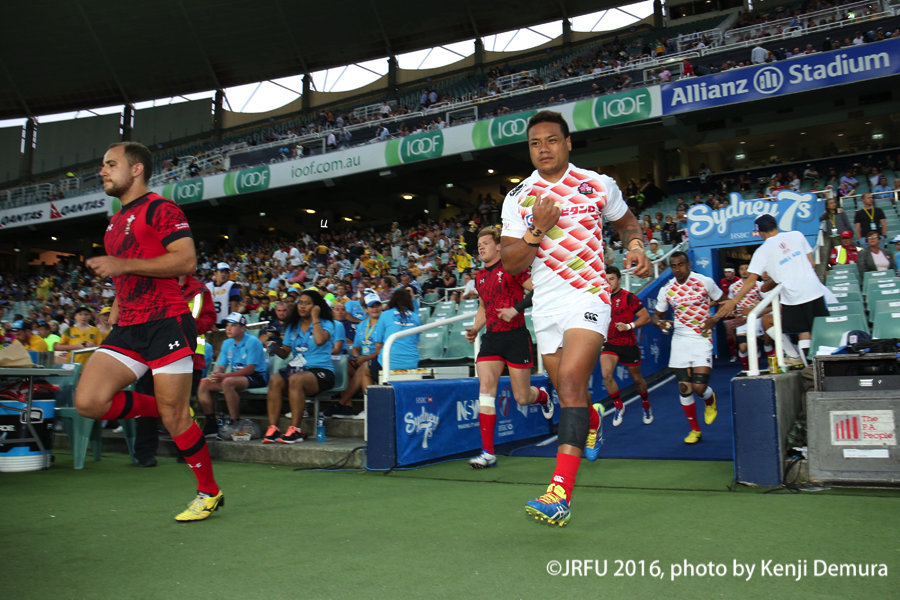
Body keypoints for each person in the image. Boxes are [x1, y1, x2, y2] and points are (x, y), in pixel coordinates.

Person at [500, 110, 651, 527]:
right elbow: (511, 264)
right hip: (546, 305)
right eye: (534, 143)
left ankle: (559, 493)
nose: (543, 148)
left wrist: (635, 244)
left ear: (568, 143)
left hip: (588, 295)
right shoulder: (518, 197)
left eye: (551, 140)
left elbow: (625, 221)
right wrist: (537, 229)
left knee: (569, 383)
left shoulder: (597, 184)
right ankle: (593, 415)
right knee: (569, 391)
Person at [78, 141, 222, 522]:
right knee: (89, 401)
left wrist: (123, 265)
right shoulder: (114, 220)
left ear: (137, 169)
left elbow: (186, 260)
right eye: (103, 165)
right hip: (129, 326)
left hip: (166, 324)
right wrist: (118, 304)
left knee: (176, 420)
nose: (103, 171)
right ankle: (169, 410)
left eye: (111, 164)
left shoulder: (161, 208)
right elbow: (126, 274)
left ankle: (209, 492)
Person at [465, 227, 553, 469]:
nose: (481, 247)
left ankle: (543, 396)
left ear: (498, 246)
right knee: (485, 389)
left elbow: (538, 290)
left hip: (516, 337)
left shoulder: (513, 268)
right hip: (492, 339)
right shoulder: (480, 277)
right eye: (479, 244)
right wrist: (475, 328)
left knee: (522, 398)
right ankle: (488, 453)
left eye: (485, 243)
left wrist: (515, 309)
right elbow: (484, 306)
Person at [709, 214, 827, 367]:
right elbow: (811, 263)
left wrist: (734, 301)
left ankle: (810, 369)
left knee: (803, 332)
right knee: (819, 333)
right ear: (776, 225)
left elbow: (751, 280)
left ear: (760, 233)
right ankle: (824, 369)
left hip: (794, 296)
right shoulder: (797, 235)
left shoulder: (762, 251)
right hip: (815, 290)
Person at [133, 274, 216, 467]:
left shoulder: (200, 290)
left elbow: (209, 319)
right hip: (153, 356)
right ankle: (144, 453)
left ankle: (187, 452)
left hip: (189, 357)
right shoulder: (152, 286)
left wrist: (183, 325)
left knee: (183, 408)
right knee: (147, 404)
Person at [652, 252, 722, 444]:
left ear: (689, 264)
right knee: (684, 387)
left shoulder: (704, 282)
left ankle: (709, 399)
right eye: (673, 266)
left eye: (681, 264)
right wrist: (659, 323)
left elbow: (724, 302)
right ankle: (694, 430)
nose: (677, 269)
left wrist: (714, 319)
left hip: (702, 338)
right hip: (680, 340)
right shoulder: (667, 290)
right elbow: (656, 316)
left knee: (699, 388)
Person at [262, 290, 338, 444]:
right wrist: (275, 347)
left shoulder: (326, 323)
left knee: (296, 379)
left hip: (321, 371)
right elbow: (285, 353)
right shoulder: (293, 326)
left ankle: (295, 430)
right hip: (297, 369)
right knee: (275, 379)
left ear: (316, 306)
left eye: (307, 303)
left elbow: (319, 341)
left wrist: (315, 317)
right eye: (300, 303)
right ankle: (273, 428)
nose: (302, 307)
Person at [196, 312, 267, 438]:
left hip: (257, 376)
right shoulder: (227, 343)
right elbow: (222, 367)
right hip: (235, 376)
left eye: (233, 325)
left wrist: (224, 376)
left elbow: (250, 369)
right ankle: (211, 422)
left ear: (243, 328)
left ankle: (235, 421)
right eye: (227, 325)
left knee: (228, 382)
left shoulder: (253, 342)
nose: (228, 328)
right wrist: (216, 374)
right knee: (204, 383)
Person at [601, 266, 652, 427]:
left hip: (629, 344)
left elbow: (645, 317)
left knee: (638, 380)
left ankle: (646, 404)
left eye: (612, 279)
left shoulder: (629, 297)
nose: (609, 282)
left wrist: (629, 326)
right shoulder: (600, 298)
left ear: (619, 279)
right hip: (610, 344)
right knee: (606, 375)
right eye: (606, 279)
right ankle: (618, 406)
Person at [326, 291, 383, 418]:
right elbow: (356, 346)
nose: (375, 309)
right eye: (371, 306)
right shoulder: (362, 324)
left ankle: (343, 404)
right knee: (344, 365)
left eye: (377, 305)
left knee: (364, 369)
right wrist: (356, 355)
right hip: (362, 359)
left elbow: (383, 350)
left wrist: (364, 359)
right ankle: (348, 406)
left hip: (378, 361)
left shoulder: (385, 323)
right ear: (366, 309)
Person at [370, 287, 421, 383]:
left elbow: (378, 344)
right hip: (411, 363)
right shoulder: (416, 317)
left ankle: (372, 396)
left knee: (364, 369)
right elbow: (416, 341)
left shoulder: (385, 315)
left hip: (388, 364)